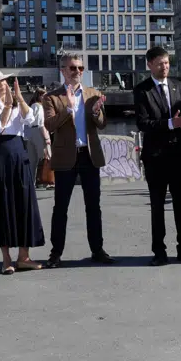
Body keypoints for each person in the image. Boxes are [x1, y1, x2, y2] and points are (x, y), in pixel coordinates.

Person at [41, 53, 113, 268]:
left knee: (93, 206)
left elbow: (101, 124)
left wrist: (96, 111)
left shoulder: (93, 94)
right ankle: (56, 253)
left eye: (80, 68)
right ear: (63, 70)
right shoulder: (51, 97)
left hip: (89, 156)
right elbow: (50, 125)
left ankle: (97, 250)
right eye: (73, 68)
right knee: (60, 207)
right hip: (65, 157)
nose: (77, 72)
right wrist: (70, 108)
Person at [0, 67, 45, 274]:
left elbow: (31, 120)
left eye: (3, 81)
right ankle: (6, 258)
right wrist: (8, 107)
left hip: (19, 154)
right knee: (1, 205)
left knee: (24, 203)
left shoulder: (14, 103)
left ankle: (24, 256)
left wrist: (20, 100)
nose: (2, 85)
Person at [134, 46, 181, 265]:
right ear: (150, 65)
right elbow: (143, 123)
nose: (165, 67)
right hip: (156, 157)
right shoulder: (142, 90)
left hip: (179, 155)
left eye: (167, 63)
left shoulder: (179, 86)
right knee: (157, 206)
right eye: (160, 63)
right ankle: (159, 252)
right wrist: (172, 123)